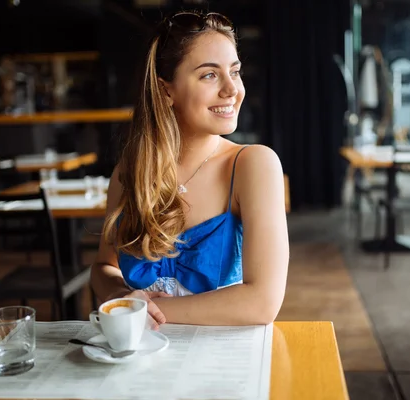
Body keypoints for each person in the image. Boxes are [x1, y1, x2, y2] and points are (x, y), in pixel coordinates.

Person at [91, 11, 289, 328]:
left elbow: (263, 303)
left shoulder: (253, 164)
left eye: (234, 72)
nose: (231, 90)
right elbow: (103, 266)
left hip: (220, 360)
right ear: (166, 90)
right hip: (144, 356)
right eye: (209, 75)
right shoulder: (130, 172)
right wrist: (122, 297)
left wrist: (143, 315)